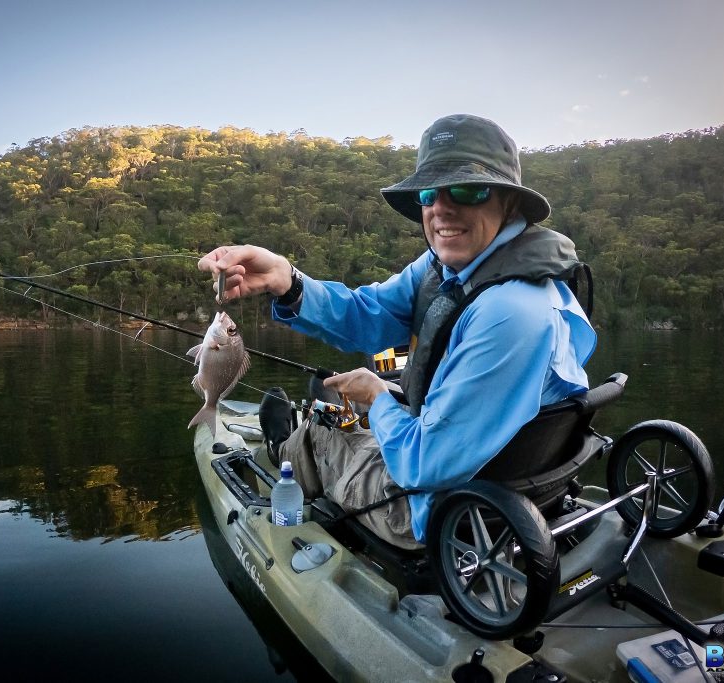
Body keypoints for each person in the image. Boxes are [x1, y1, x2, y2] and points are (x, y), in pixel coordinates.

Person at [197, 114, 596, 549]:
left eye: (467, 189)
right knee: (359, 403)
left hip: (436, 509)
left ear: (510, 204)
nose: (442, 207)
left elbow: (423, 465)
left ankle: (282, 451)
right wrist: (287, 281)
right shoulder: (447, 268)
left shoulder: (511, 312)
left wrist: (378, 397)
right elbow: (367, 316)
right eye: (429, 193)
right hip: (499, 471)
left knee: (322, 426)